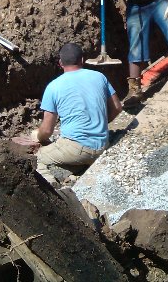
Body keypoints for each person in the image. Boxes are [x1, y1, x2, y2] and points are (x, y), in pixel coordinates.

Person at [34, 42, 122, 186]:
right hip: (102, 144)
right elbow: (117, 107)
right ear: (82, 60)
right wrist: (99, 123)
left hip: (77, 148)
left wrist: (39, 137)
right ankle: (77, 170)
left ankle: (53, 188)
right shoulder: (99, 77)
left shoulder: (53, 87)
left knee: (37, 159)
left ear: (60, 63)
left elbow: (47, 130)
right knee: (74, 155)